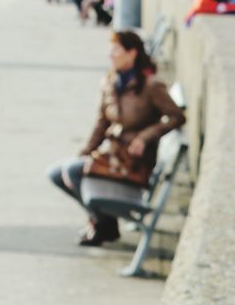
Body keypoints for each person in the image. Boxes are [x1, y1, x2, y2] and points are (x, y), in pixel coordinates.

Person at [45, 30, 185, 247]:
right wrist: (84, 153)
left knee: (73, 171)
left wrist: (145, 137)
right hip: (113, 156)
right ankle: (105, 222)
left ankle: (103, 225)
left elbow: (177, 116)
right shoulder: (111, 81)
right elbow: (102, 123)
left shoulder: (151, 85)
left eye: (116, 50)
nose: (111, 55)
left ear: (132, 53)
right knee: (57, 173)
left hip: (134, 163)